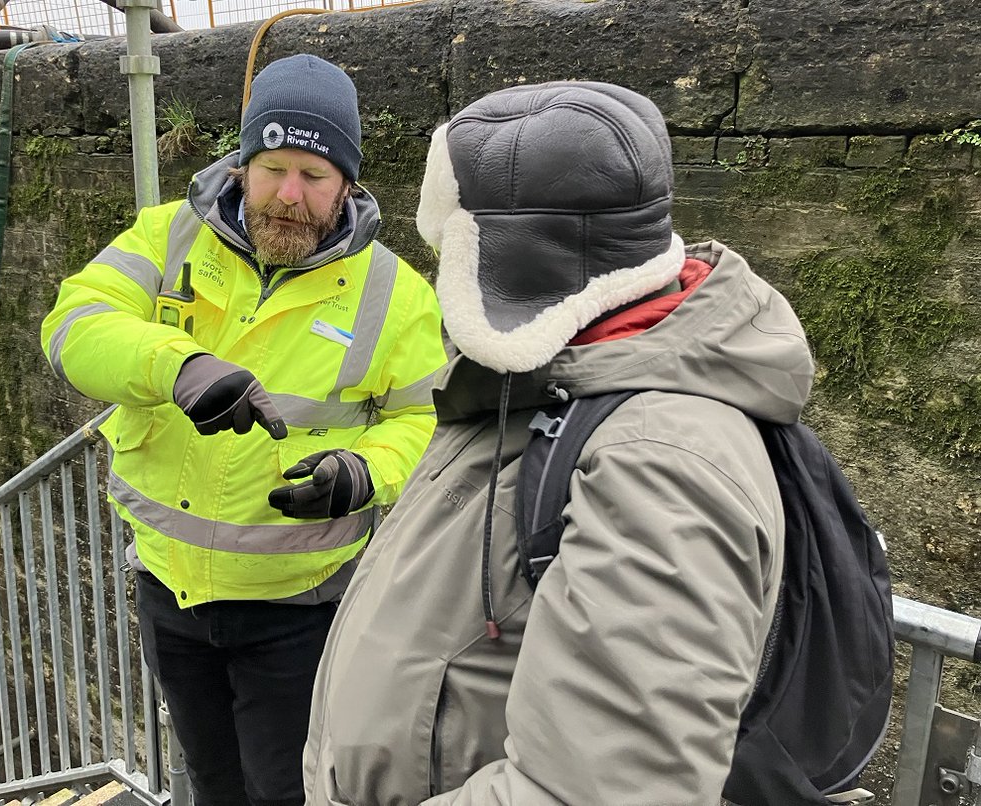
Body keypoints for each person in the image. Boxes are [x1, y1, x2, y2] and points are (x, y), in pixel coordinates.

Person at [304, 81, 815, 804]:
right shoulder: (546, 383)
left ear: (493, 254)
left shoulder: (657, 465)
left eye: (449, 241)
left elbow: (603, 789)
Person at [41, 54, 446, 806]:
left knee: (288, 791)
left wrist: (366, 473)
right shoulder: (167, 237)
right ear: (241, 164)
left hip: (300, 605)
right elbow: (72, 326)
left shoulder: (397, 293)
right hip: (169, 588)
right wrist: (176, 365)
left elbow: (424, 420)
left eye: (314, 176)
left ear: (348, 184)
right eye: (273, 167)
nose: (289, 195)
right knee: (209, 780)